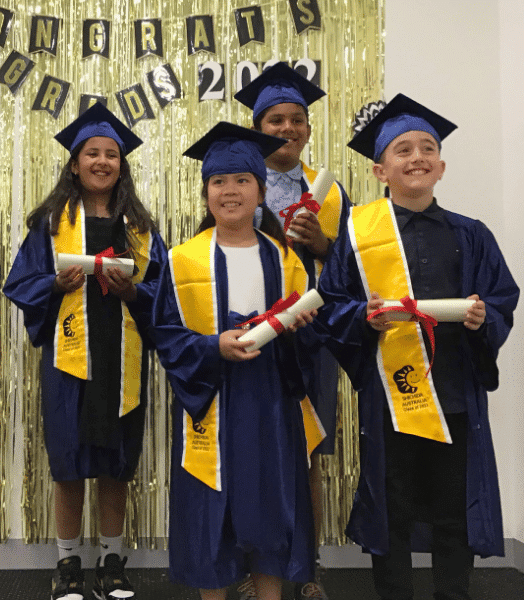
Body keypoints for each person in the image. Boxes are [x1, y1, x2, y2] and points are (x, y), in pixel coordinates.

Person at [317, 94, 518, 600]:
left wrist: (482, 317)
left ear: (442, 166)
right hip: (390, 398)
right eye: (402, 150)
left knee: (454, 509)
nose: (417, 157)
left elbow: (501, 299)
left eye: (427, 148)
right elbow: (333, 305)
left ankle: (454, 594)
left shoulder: (471, 235)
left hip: (454, 393)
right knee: (394, 509)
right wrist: (363, 318)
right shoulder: (359, 235)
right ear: (381, 171)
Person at [4, 102, 167, 600]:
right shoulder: (52, 221)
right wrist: (55, 284)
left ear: (122, 164)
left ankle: (112, 561)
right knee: (70, 462)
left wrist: (131, 292)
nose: (101, 161)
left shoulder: (139, 226)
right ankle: (68, 563)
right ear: (74, 164)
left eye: (111, 154)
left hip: (123, 358)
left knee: (116, 462)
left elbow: (164, 291)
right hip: (69, 361)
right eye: (91, 153)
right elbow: (20, 282)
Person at [151, 122, 317, 600]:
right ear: (205, 193)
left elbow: (309, 332)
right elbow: (165, 335)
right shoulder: (181, 260)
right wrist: (211, 347)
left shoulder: (285, 258)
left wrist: (299, 330)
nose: (230, 191)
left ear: (261, 192)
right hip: (213, 402)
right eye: (219, 181)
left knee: (269, 507)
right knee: (211, 513)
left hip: (269, 403)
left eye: (243, 180)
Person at [235, 62, 352, 600]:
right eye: (275, 119)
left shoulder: (330, 194)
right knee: (250, 449)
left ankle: (306, 569)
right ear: (258, 127)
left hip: (311, 335)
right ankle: (247, 562)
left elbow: (350, 271)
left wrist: (323, 245)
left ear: (307, 128)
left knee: (307, 452)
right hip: (254, 335)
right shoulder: (239, 184)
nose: (287, 128)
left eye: (297, 119)